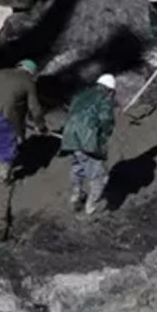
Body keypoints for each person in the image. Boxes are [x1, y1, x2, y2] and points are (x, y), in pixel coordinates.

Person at [0, 59, 48, 183]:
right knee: (6, 144)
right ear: (32, 73)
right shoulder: (28, 82)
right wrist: (41, 126)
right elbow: (34, 108)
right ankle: (3, 176)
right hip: (4, 114)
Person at [60, 74, 117, 216]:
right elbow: (106, 121)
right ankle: (92, 207)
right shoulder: (105, 99)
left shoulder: (83, 94)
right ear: (111, 90)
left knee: (77, 168)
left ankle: (76, 195)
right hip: (87, 141)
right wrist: (102, 140)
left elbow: (71, 112)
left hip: (70, 137)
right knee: (98, 176)